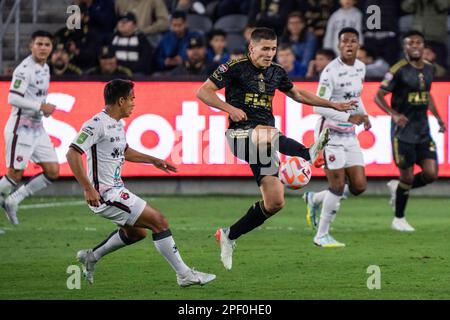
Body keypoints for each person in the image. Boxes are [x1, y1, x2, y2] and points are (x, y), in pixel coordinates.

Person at [196, 27, 356, 270]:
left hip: (265, 141)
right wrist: (229, 108)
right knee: (266, 132)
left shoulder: (277, 72)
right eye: (265, 48)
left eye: (273, 49)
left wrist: (333, 104)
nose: (270, 53)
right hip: (240, 135)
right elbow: (203, 91)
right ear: (252, 48)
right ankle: (306, 153)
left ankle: (229, 235)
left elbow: (299, 94)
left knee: (275, 202)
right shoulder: (234, 67)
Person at [66, 79, 216, 287]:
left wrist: (153, 160)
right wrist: (88, 188)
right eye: (132, 99)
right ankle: (184, 274)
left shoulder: (116, 124)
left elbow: (124, 151)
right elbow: (72, 153)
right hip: (105, 194)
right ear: (121, 101)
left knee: (136, 233)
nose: (134, 103)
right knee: (159, 222)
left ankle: (92, 256)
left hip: (116, 190)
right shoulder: (96, 124)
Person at [303, 28, 371, 248]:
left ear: (358, 45)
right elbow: (317, 107)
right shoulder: (330, 72)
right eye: (345, 41)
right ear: (339, 45)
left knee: (359, 186)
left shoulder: (361, 67)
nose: (349, 45)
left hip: (349, 135)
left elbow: (355, 96)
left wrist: (365, 115)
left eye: (353, 41)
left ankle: (315, 199)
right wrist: (350, 116)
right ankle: (321, 235)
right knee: (337, 186)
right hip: (329, 135)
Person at [374, 31, 446, 232]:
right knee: (406, 176)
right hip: (402, 131)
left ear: (424, 46)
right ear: (405, 47)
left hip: (423, 130)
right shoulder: (398, 70)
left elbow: (427, 94)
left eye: (418, 42)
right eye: (410, 43)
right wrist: (394, 114)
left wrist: (438, 117)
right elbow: (378, 96)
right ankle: (399, 218)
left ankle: (398, 190)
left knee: (431, 174)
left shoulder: (431, 69)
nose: (414, 46)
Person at [0, 31, 59, 225]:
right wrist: (41, 106)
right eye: (39, 44)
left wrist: (43, 108)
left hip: (37, 127)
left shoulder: (45, 68)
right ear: (30, 46)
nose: (43, 48)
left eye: (47, 44)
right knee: (14, 175)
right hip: (20, 128)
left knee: (52, 171)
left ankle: (13, 200)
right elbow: (13, 98)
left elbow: (35, 96)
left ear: (51, 48)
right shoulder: (24, 69)